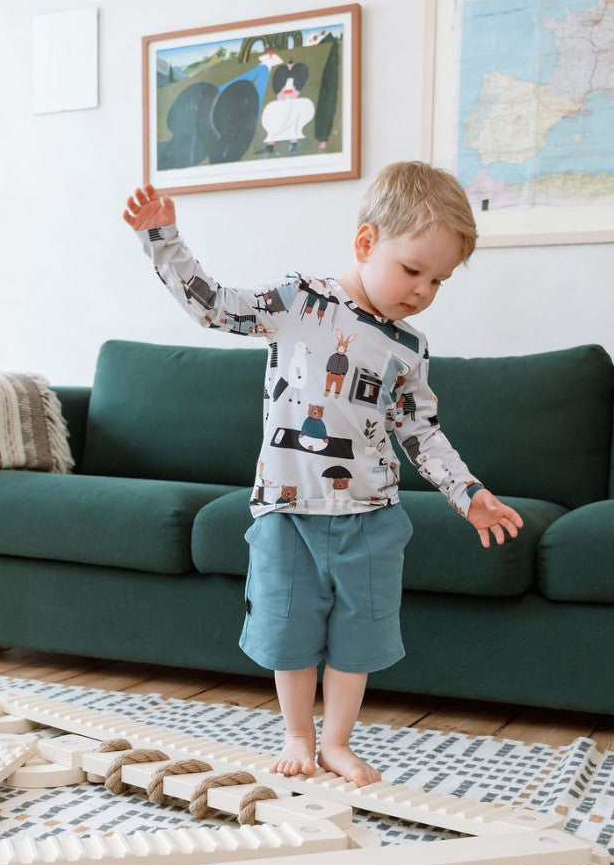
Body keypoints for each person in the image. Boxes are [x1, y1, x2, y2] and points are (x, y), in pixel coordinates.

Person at [122, 162, 523, 786]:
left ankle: (335, 741)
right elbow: (214, 308)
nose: (423, 290)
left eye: (438, 280)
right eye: (412, 270)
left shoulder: (408, 349)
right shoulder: (299, 301)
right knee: (288, 631)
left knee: (358, 640)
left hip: (372, 519)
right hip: (287, 511)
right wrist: (162, 239)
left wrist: (467, 493)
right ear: (366, 242)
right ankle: (297, 734)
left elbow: (421, 433)